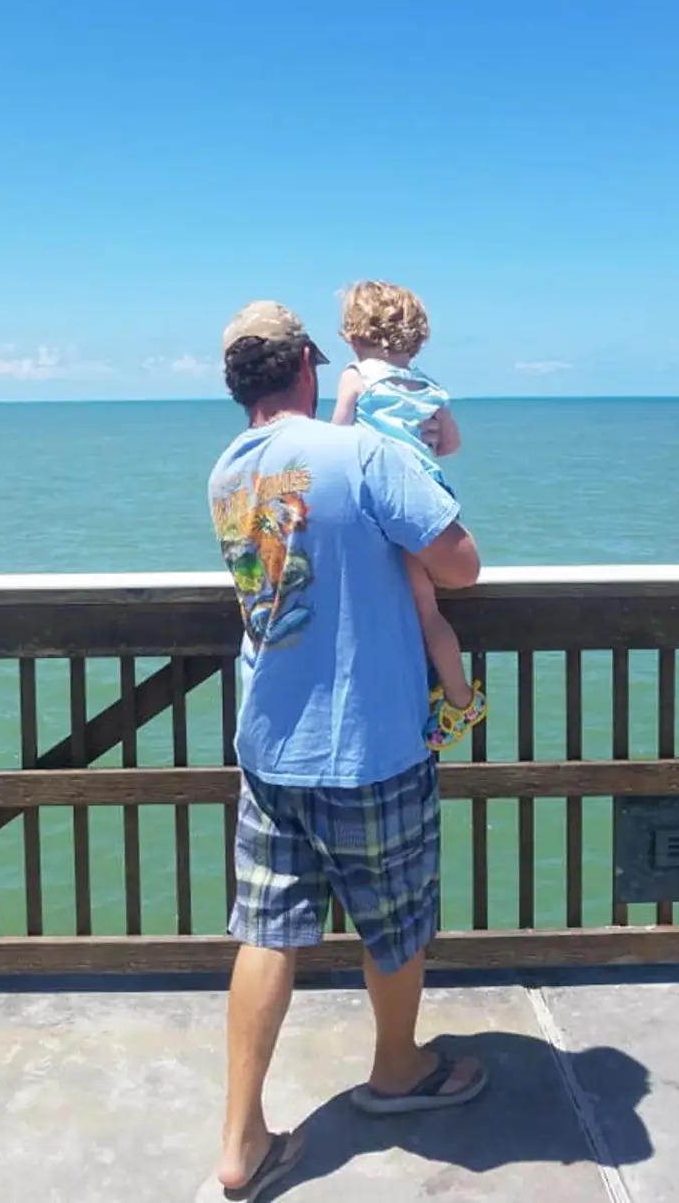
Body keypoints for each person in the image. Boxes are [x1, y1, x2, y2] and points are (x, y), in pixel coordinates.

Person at [208, 299, 488, 1201]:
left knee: (266, 931)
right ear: (305, 365)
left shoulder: (226, 472)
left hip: (269, 742)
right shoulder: (361, 453)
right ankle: (397, 1068)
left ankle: (240, 1137)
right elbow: (461, 563)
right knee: (395, 919)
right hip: (368, 740)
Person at [332, 280, 486, 751]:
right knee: (427, 611)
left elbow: (337, 438)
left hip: (388, 501)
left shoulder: (356, 376)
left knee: (398, 601)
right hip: (429, 499)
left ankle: (444, 698)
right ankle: (459, 697)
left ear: (355, 334)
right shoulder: (428, 387)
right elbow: (450, 444)